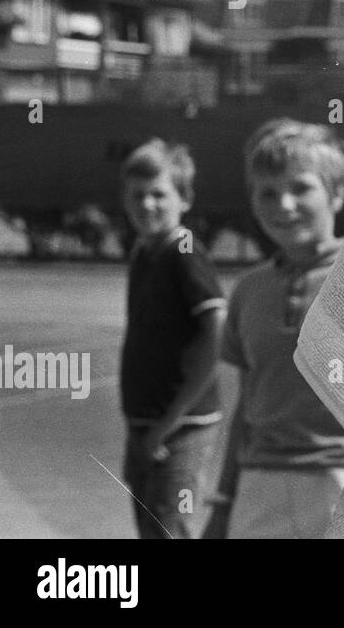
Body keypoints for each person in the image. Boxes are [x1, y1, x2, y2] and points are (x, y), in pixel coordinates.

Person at [203, 119, 344, 539]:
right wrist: (221, 505)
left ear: (337, 192)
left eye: (300, 188)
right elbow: (245, 409)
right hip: (259, 485)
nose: (283, 205)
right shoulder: (248, 290)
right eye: (267, 192)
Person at [119, 139, 226, 539]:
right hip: (146, 424)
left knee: (168, 527)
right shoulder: (146, 252)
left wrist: (168, 423)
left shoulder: (184, 251)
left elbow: (217, 327)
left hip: (181, 426)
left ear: (185, 198)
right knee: (152, 528)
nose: (147, 205)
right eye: (137, 195)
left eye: (159, 194)